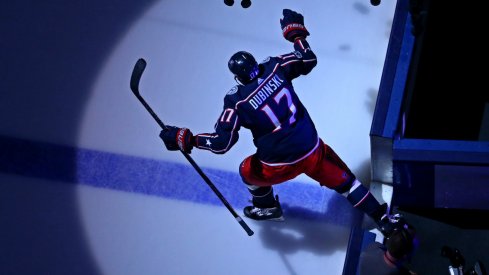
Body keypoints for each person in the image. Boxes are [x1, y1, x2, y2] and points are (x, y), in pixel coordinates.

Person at [160, 8, 401, 236]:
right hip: (311, 149)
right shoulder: (274, 67)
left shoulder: (237, 101)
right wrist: (296, 34)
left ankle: (266, 206)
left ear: (237, 76)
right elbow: (308, 59)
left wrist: (187, 139)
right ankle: (381, 217)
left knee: (246, 169)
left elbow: (221, 144)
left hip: (277, 165)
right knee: (347, 184)